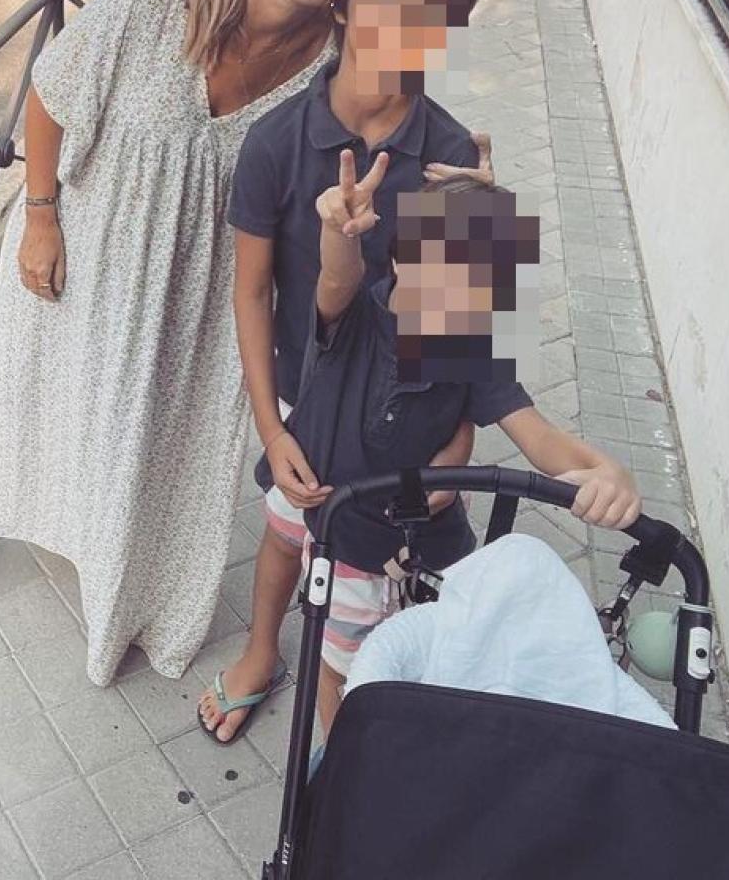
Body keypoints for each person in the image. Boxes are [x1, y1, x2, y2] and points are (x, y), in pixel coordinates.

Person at [0, 0, 393, 686]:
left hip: (204, 289)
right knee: (25, 401)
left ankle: (123, 588)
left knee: (147, 443)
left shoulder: (338, 66)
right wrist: (39, 216)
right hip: (80, 249)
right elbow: (51, 94)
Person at [200, 0, 496, 741]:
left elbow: (469, 333)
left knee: (372, 578)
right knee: (283, 534)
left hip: (403, 420)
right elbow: (250, 294)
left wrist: (459, 441)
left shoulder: (456, 162)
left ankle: (352, 701)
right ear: (346, 1)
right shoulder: (273, 142)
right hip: (304, 403)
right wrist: (271, 425)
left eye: (436, 9)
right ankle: (262, 649)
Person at [265, 167, 642, 744]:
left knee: (446, 649)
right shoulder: (356, 317)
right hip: (340, 532)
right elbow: (338, 277)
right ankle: (345, 756)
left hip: (426, 538)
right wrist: (338, 230)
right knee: (337, 664)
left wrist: (605, 471)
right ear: (399, 261)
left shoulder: (474, 345)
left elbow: (538, 437)